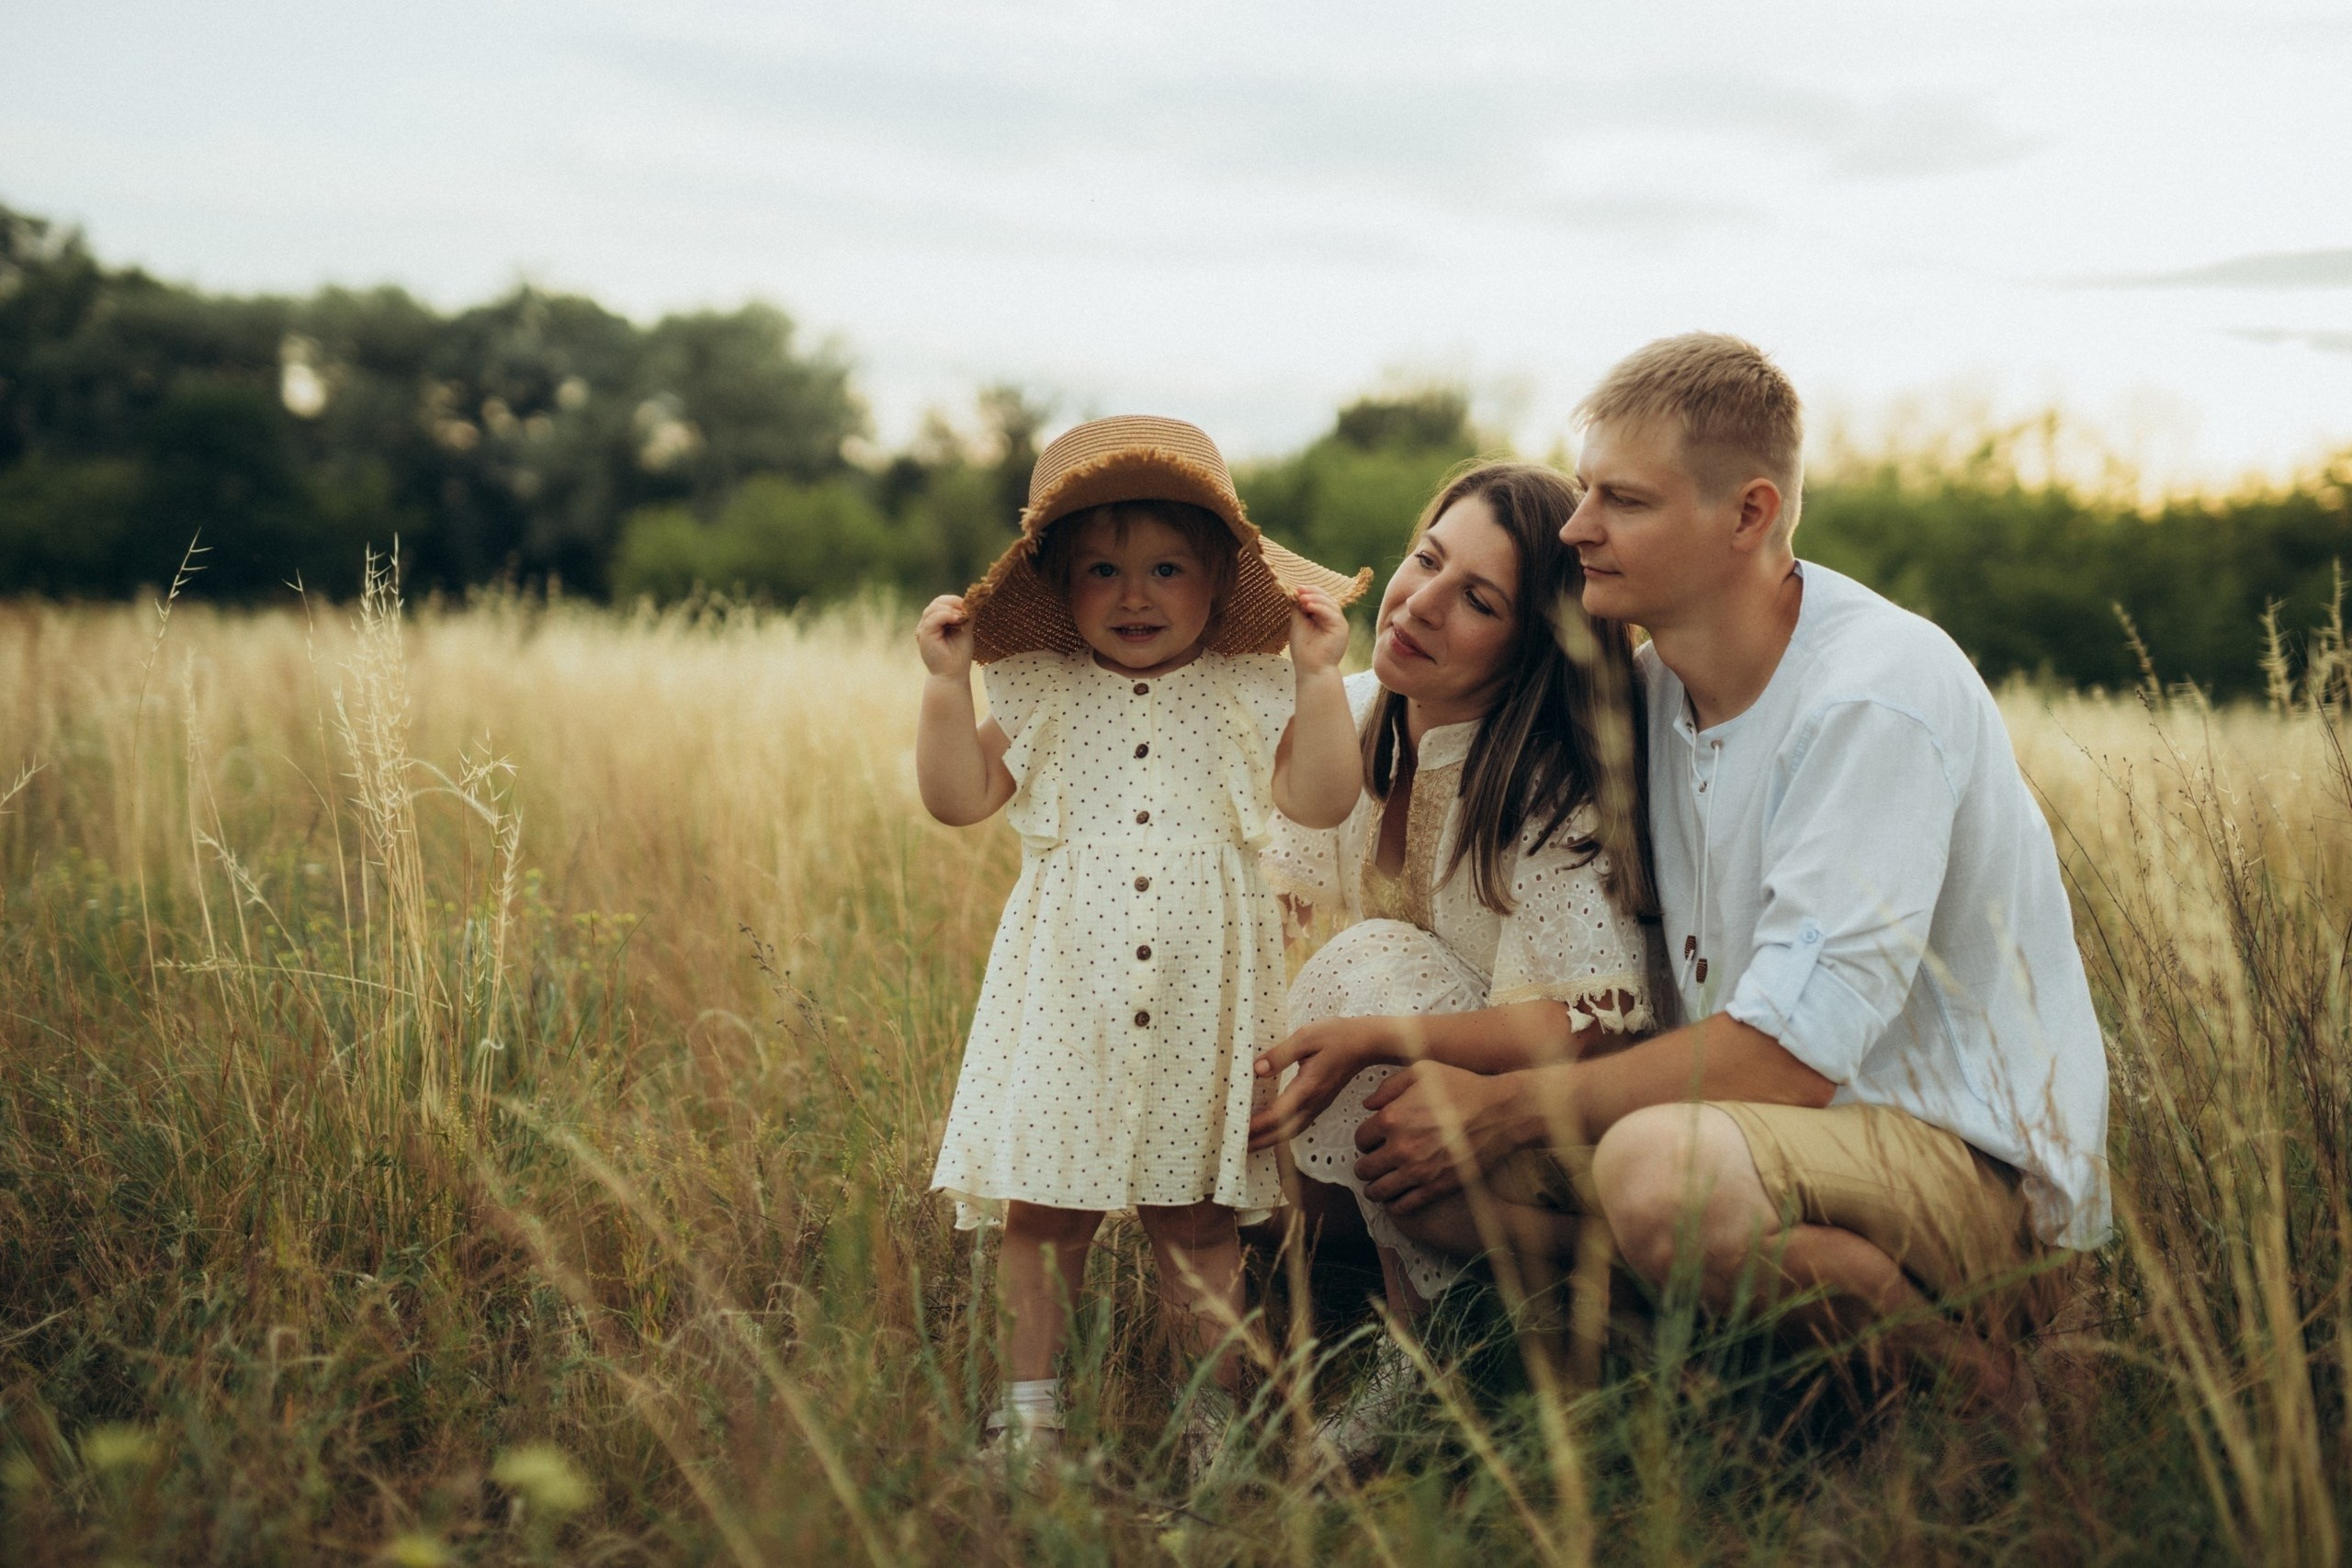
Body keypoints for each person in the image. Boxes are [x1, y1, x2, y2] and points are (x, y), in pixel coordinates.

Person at [1341, 333, 2111, 1417]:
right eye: (1583, 492)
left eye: (1623, 501)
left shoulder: (1869, 696)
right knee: (1418, 1152)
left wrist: (1512, 1106)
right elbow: (1393, 712)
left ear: (1749, 515)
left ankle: (1998, 1401)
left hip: (1963, 1170)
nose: (1576, 529)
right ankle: (1713, 1384)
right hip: (1752, 1140)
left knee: (1652, 1171)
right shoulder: (1645, 695)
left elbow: (1792, 1060)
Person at [918, 414, 1371, 1469]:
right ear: (1058, 585)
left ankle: (1209, 1418)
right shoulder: (1043, 685)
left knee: (1197, 1216)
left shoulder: (1245, 687)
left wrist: (1315, 679)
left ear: (1219, 578)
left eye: (1166, 568)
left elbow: (1319, 797)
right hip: (1064, 980)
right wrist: (946, 688)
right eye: (1102, 570)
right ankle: (1030, 1413)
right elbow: (959, 798)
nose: (1134, 595)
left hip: (1201, 986)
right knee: (1044, 1210)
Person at [1245, 461, 1661, 1470]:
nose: (1419, 605)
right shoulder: (1342, 713)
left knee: (1368, 967)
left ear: (1530, 647)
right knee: (1239, 1010)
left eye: (1476, 600)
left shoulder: (1549, 776)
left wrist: (1374, 1036)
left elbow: (1585, 1017)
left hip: (1538, 1125)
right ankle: (1284, 1303)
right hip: (1398, 1120)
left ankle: (1433, 1350)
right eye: (1425, 560)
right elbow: (1272, 920)